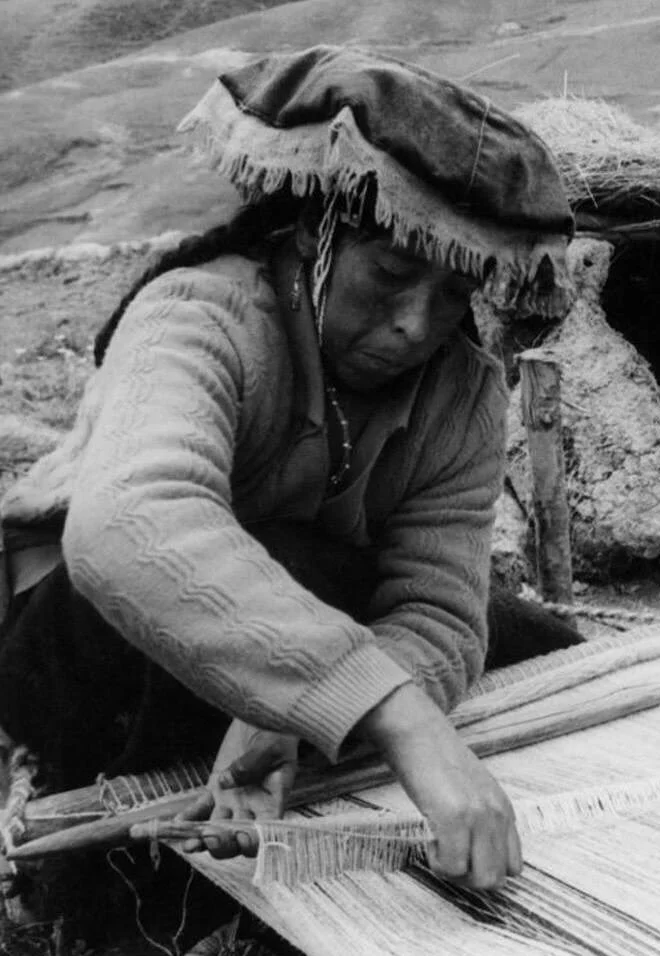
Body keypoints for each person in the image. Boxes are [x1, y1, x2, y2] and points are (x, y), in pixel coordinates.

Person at [0, 45, 578, 891]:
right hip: (83, 640)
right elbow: (129, 524)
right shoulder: (199, 316)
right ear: (316, 236)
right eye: (390, 271)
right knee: (293, 562)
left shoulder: (460, 395)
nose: (418, 324)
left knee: (531, 639)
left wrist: (293, 718)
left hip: (275, 631)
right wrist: (396, 717)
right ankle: (72, 842)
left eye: (455, 294)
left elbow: (440, 612)